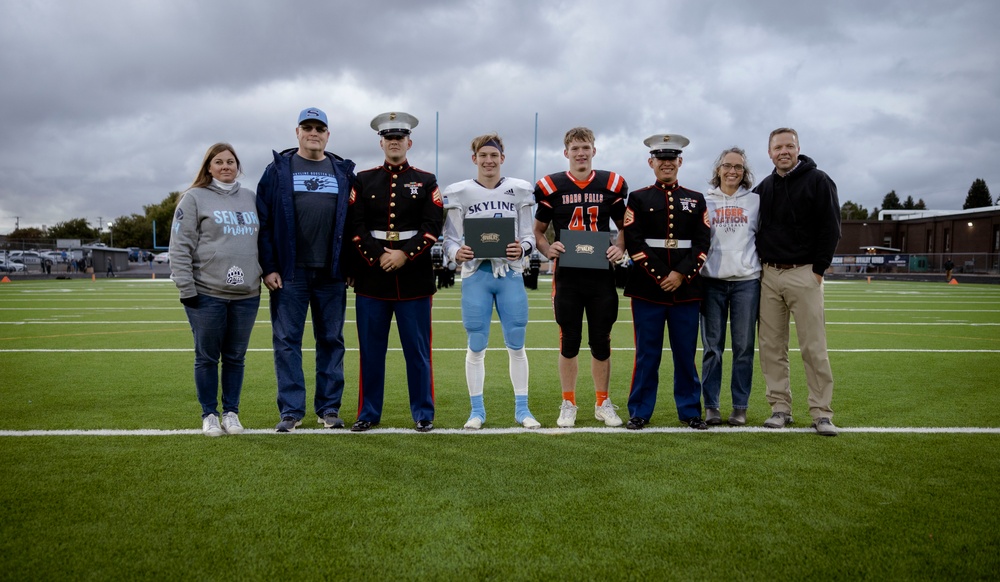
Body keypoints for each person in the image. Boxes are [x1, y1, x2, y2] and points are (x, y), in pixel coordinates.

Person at [256, 107, 356, 433]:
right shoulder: (277, 171)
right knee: (287, 341)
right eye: (307, 127)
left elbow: (353, 223)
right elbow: (265, 223)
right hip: (290, 272)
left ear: (328, 134)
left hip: (331, 273)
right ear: (297, 132)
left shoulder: (343, 172)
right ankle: (291, 410)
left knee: (331, 340)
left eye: (320, 128)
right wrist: (268, 266)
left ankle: (328, 409)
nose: (314, 133)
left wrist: (350, 265)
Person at [346, 112, 443, 432]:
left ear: (409, 142)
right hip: (372, 278)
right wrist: (379, 258)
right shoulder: (363, 179)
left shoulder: (427, 180)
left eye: (399, 138)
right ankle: (368, 413)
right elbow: (356, 227)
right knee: (371, 353)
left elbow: (431, 228)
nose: (394, 143)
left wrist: (404, 255)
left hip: (413, 277)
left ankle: (423, 412)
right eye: (389, 138)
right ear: (381, 143)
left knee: (418, 352)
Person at [442, 133, 541, 430]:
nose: (488, 160)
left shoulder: (519, 189)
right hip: (476, 275)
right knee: (476, 343)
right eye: (483, 155)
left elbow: (528, 236)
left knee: (517, 342)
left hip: (509, 274)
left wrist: (521, 248)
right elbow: (450, 239)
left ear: (502, 158)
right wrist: (456, 252)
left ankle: (522, 409)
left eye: (494, 155)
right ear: (474, 159)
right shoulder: (459, 192)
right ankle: (477, 411)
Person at [533, 127, 628, 428]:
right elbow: (537, 231)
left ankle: (602, 402)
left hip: (601, 275)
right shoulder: (552, 186)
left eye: (585, 147)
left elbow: (626, 225)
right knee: (569, 341)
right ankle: (568, 402)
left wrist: (620, 246)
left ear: (594, 150)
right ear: (566, 153)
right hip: (569, 276)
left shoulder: (610, 184)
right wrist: (549, 248)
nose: (581, 153)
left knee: (601, 341)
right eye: (575, 148)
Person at [169, 143, 262, 437]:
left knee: (236, 357)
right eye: (219, 161)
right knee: (207, 357)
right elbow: (180, 247)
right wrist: (186, 287)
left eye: (231, 161)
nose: (225, 166)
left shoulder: (251, 198)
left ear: (238, 166)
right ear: (208, 167)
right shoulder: (194, 198)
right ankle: (209, 413)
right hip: (207, 292)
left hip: (247, 294)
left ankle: (231, 412)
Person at [754, 128, 841, 436]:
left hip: (805, 273)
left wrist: (818, 270)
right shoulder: (763, 188)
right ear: (769, 153)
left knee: (813, 347)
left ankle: (821, 412)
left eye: (789, 146)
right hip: (769, 275)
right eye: (778, 147)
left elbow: (831, 227)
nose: (784, 151)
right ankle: (780, 408)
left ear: (798, 148)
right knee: (771, 347)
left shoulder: (819, 181)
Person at [622, 134, 711, 430]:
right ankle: (639, 411)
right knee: (647, 355)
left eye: (672, 159)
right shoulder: (638, 198)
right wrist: (663, 275)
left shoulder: (696, 199)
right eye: (661, 159)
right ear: (651, 163)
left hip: (686, 289)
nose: (667, 164)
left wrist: (680, 274)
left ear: (680, 162)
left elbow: (702, 243)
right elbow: (634, 241)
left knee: (686, 355)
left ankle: (689, 412)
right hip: (648, 289)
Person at [699, 147, 760, 427]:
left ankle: (740, 407)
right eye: (727, 166)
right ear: (718, 169)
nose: (732, 171)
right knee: (712, 347)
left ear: (744, 172)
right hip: (712, 282)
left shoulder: (756, 201)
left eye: (738, 167)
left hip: (746, 282)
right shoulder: (705, 201)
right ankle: (711, 405)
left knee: (743, 347)